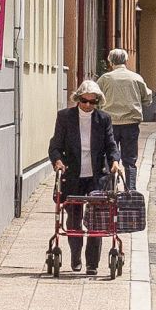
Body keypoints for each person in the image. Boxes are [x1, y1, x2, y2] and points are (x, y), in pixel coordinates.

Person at [47, 81, 115, 276]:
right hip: (73, 175)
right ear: (78, 99)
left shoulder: (103, 119)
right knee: (74, 219)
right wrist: (58, 161)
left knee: (95, 221)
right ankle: (75, 257)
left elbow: (111, 146)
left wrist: (115, 162)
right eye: (84, 101)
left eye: (92, 102)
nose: (87, 105)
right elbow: (55, 146)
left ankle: (92, 264)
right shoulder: (65, 117)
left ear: (97, 102)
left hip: (96, 177)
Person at [100, 48, 153, 190]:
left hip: (110, 123)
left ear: (111, 62)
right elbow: (147, 98)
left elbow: (97, 97)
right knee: (130, 160)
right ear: (126, 61)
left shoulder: (105, 78)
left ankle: (110, 189)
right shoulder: (136, 78)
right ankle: (131, 190)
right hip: (130, 123)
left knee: (109, 157)